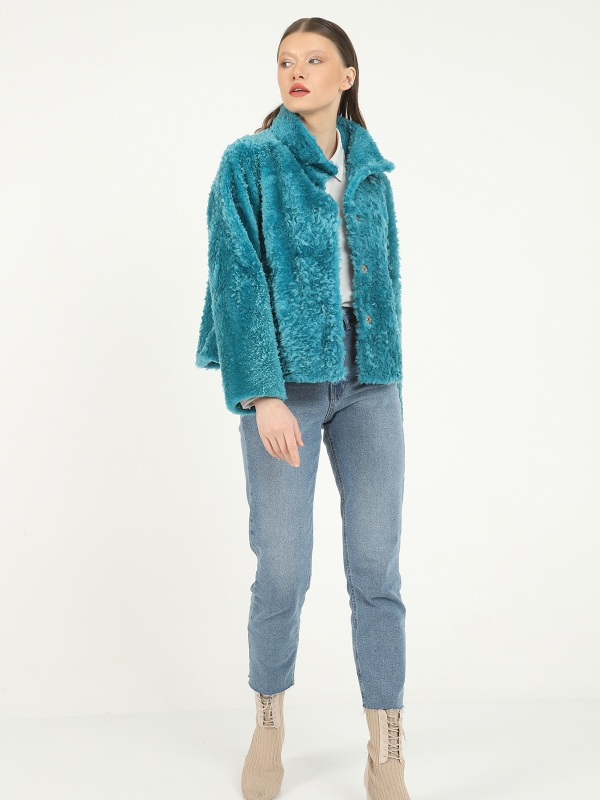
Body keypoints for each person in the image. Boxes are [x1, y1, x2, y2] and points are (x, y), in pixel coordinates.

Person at [195, 16, 411, 800]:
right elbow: (236, 277)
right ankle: (268, 724)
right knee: (283, 568)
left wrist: (384, 369)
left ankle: (386, 748)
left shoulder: (371, 169)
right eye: (286, 60)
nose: (297, 70)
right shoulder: (248, 161)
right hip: (286, 381)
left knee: (376, 568)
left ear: (346, 75)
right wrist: (263, 394)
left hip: (371, 382)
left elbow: (386, 281)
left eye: (315, 59)